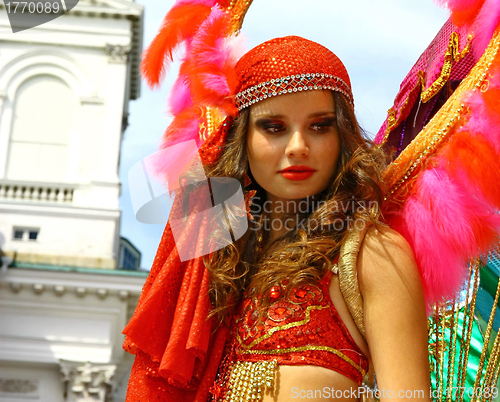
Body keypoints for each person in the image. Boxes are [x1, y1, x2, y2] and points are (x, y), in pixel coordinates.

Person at [124, 35, 432, 402]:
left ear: (343, 138)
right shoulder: (217, 266)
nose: (298, 146)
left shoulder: (373, 254)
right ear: (242, 140)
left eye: (320, 126)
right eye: (274, 127)